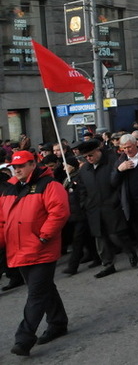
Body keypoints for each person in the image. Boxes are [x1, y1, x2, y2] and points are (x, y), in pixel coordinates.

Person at [0, 151, 70, 357]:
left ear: (33, 164)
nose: (18, 169)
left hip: (41, 249)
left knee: (36, 294)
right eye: (15, 166)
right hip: (19, 249)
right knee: (42, 288)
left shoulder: (49, 184)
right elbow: (2, 220)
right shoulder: (11, 187)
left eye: (22, 165)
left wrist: (44, 236)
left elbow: (59, 211)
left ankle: (24, 338)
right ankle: (58, 322)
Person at [71, 140, 137, 278]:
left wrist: (116, 200)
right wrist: (85, 204)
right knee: (100, 238)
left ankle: (130, 252)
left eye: (91, 155)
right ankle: (107, 264)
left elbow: (118, 182)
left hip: (111, 205)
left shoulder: (111, 161)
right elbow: (82, 189)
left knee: (116, 235)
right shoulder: (84, 170)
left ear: (98, 151)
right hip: (93, 209)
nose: (89, 158)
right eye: (86, 157)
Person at [111, 134, 138, 276]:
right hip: (131, 205)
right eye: (124, 148)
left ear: (136, 145)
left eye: (129, 147)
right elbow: (113, 182)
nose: (127, 150)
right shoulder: (120, 160)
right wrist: (119, 170)